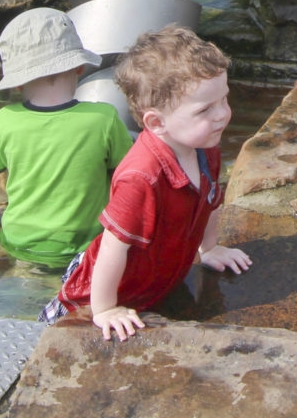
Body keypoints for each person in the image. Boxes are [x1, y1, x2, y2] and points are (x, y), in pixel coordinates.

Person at [44, 27, 252, 340]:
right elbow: (112, 250)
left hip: (149, 282)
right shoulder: (142, 178)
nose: (223, 114)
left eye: (224, 99)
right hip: (91, 292)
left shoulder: (205, 148)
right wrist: (103, 310)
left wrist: (208, 249)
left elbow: (210, 202)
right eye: (205, 109)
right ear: (156, 122)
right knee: (38, 344)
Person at [0, 8, 134, 270]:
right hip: (86, 243)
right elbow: (127, 169)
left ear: (16, 84)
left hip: (20, 241)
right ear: (79, 67)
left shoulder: (5, 120)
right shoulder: (103, 118)